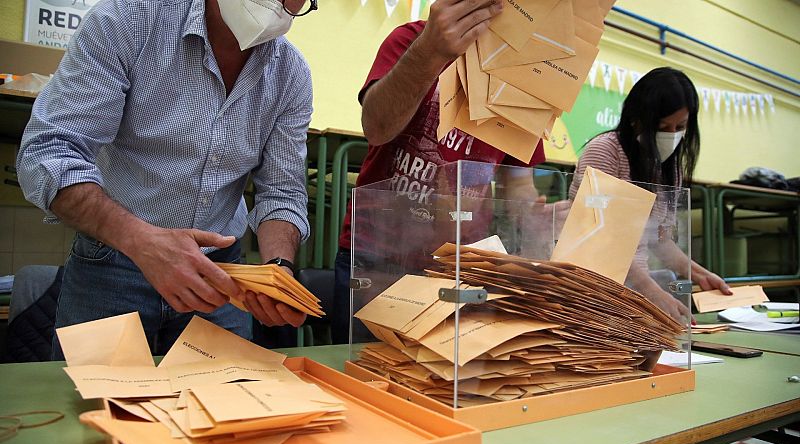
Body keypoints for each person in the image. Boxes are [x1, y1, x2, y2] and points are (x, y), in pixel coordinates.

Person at [16, 0, 317, 358]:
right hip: (114, 259)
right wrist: (142, 241)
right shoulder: (128, 20)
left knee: (227, 405)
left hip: (219, 274)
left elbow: (282, 192)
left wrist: (276, 269)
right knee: (95, 403)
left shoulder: (291, 75)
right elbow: (50, 152)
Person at [330, 0, 560, 344]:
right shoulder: (412, 40)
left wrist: (537, 216)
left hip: (457, 269)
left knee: (440, 384)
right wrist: (430, 51)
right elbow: (376, 127)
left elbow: (517, 184)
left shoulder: (519, 81)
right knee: (363, 374)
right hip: (377, 259)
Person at [569, 67, 732, 322]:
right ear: (638, 118)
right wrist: (650, 293)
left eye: (680, 127)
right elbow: (597, 238)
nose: (671, 135)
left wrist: (699, 274)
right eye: (662, 126)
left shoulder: (670, 169)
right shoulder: (605, 152)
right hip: (594, 289)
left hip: (635, 290)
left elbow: (661, 240)